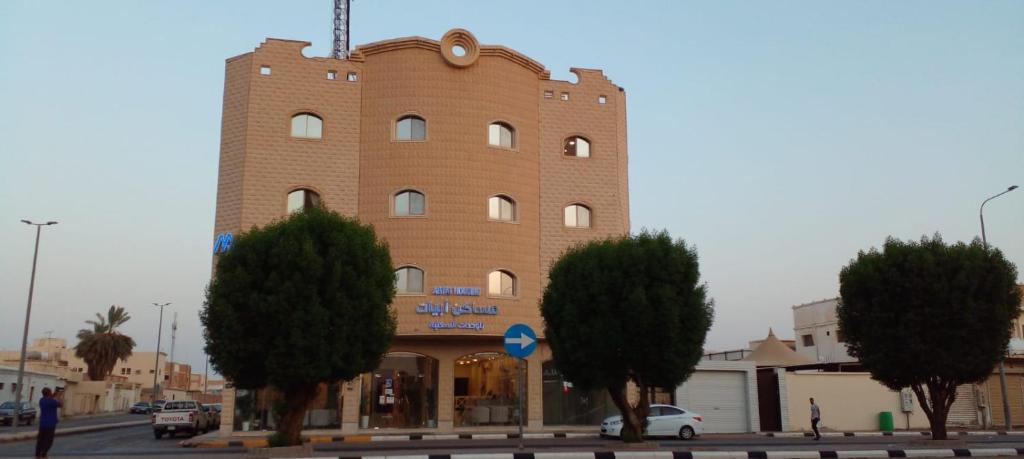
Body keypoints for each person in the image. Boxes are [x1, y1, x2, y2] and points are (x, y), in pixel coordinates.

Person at [35, 387, 63, 458]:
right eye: (50, 392)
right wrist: (59, 396)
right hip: (51, 423)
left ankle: (37, 454)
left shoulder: (41, 400)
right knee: (49, 440)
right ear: (49, 393)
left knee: (40, 439)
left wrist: (54, 394)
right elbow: (61, 405)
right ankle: (44, 453)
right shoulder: (53, 401)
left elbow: (49, 398)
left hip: (42, 423)